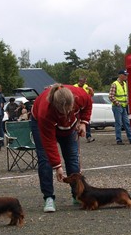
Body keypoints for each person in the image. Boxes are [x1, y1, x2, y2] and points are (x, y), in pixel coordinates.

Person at [30, 84, 92, 213]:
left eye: (70, 110)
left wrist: (84, 122)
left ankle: (77, 194)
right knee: (45, 159)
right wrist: (57, 166)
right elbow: (49, 143)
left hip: (70, 127)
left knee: (72, 157)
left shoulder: (80, 95)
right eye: (63, 112)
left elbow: (88, 105)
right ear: (55, 106)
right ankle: (49, 197)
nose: (67, 113)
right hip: (40, 124)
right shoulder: (45, 112)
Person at [109, 70, 131, 145]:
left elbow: (125, 95)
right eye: (125, 75)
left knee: (127, 123)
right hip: (117, 107)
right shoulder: (115, 84)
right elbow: (111, 96)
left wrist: (127, 101)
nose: (126, 76)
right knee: (118, 123)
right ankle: (119, 140)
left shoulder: (125, 84)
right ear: (120, 75)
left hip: (123, 106)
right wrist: (118, 103)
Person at [74, 76, 95, 142]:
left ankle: (88, 136)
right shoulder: (74, 87)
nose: (85, 83)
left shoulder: (86, 87)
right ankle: (74, 136)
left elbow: (91, 95)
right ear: (80, 81)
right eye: (84, 81)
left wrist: (91, 90)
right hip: (77, 107)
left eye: (85, 81)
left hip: (84, 107)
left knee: (86, 121)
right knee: (75, 121)